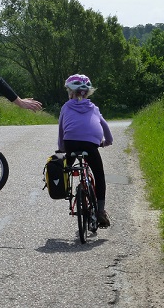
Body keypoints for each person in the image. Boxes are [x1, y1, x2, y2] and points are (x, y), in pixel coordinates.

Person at [57, 74, 113, 228]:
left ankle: (66, 192)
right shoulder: (93, 108)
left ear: (70, 92)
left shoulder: (66, 107)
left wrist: (62, 149)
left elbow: (61, 130)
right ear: (87, 93)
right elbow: (106, 127)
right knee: (99, 176)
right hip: (91, 145)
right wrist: (107, 142)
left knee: (63, 167)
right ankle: (101, 211)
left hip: (70, 145)